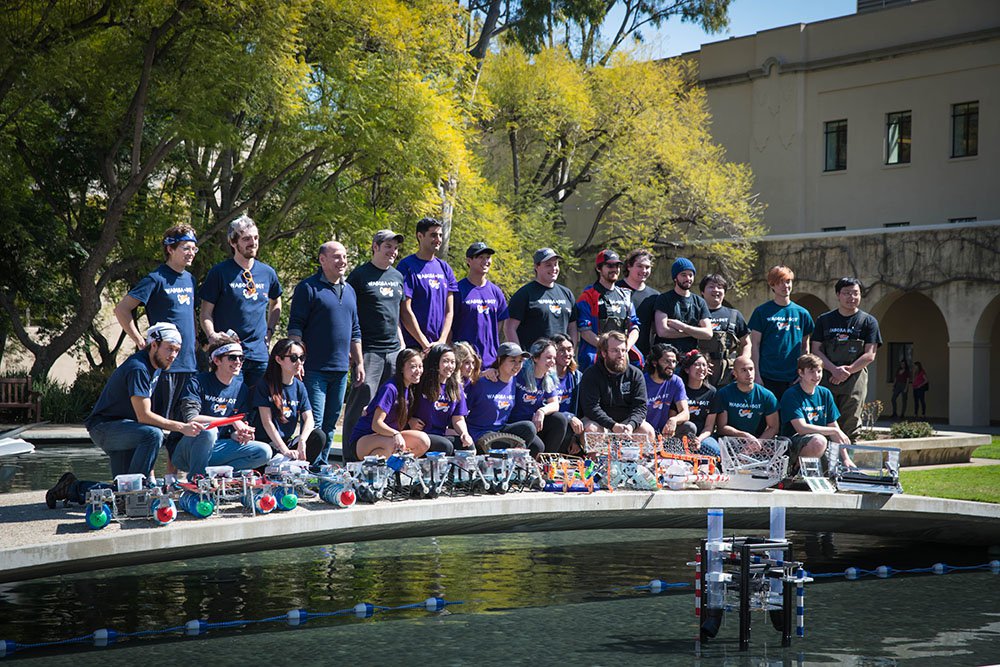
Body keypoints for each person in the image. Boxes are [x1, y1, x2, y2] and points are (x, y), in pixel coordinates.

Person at [46, 323, 205, 509]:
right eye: (169, 348)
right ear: (153, 344)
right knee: (153, 434)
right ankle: (137, 494)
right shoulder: (139, 368)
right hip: (106, 428)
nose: (173, 355)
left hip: (125, 428)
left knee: (120, 489)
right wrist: (182, 427)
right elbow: (144, 416)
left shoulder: (155, 367)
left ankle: (72, 487)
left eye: (177, 350)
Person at [113, 224, 200, 425]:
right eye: (185, 248)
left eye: (193, 248)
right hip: (164, 366)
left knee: (184, 429)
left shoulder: (190, 279)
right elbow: (122, 310)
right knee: (161, 427)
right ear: (170, 249)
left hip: (189, 364)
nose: (191, 253)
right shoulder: (156, 279)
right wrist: (139, 339)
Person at [288, 241, 363, 463]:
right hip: (314, 370)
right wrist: (296, 361)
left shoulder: (349, 290)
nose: (343, 261)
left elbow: (355, 329)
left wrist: (359, 362)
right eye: (337, 257)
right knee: (314, 424)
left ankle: (320, 467)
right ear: (323, 260)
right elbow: (295, 327)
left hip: (340, 370)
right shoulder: (308, 288)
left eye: (345, 257)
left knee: (330, 424)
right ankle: (306, 468)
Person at [200, 215, 282, 389]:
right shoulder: (219, 272)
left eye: (255, 238)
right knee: (229, 405)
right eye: (246, 239)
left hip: (259, 354)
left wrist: (269, 331)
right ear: (233, 242)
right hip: (228, 353)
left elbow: (276, 302)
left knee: (259, 407)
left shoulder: (267, 272)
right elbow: (205, 312)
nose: (253, 242)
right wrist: (212, 335)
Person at [171, 336, 271, 477]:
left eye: (241, 358)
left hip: (218, 448)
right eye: (232, 357)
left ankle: (221, 475)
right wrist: (231, 420)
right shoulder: (197, 382)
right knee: (208, 431)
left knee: (263, 451)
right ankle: (196, 481)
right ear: (217, 360)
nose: (238, 362)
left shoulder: (241, 388)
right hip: (187, 451)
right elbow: (192, 418)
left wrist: (238, 435)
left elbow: (232, 430)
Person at [342, 229, 406, 446]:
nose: (393, 251)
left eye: (396, 248)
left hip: (394, 350)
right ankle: (351, 453)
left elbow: (397, 316)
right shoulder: (359, 276)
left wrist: (403, 347)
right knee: (362, 401)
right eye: (388, 246)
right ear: (375, 246)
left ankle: (382, 451)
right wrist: (354, 351)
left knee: (391, 403)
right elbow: (349, 314)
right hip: (369, 350)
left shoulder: (397, 277)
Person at [810, 277, 882, 439]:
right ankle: (826, 462)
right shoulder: (824, 320)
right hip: (827, 376)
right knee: (824, 420)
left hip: (855, 379)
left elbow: (870, 354)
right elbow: (816, 349)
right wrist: (834, 370)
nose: (852, 297)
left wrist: (847, 371)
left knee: (851, 422)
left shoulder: (868, 322)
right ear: (838, 295)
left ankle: (847, 461)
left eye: (855, 293)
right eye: (847, 293)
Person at [348, 348, 431, 460]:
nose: (418, 371)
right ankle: (369, 471)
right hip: (364, 439)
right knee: (393, 444)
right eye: (413, 367)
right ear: (401, 368)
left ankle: (397, 469)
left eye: (420, 366)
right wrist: (395, 434)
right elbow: (376, 424)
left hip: (386, 438)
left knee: (423, 441)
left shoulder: (410, 388)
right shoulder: (390, 388)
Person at [251, 338, 325, 464]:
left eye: (302, 358)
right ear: (279, 359)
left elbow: (309, 419)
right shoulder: (264, 385)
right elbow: (267, 422)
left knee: (319, 436)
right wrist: (284, 450)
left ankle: (299, 467)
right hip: (267, 445)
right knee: (272, 456)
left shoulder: (299, 386)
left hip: (287, 444)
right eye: (293, 358)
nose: (299, 362)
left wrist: (302, 440)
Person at [464, 342, 546, 454]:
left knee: (532, 433)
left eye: (520, 361)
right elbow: (463, 407)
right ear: (499, 360)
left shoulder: (513, 380)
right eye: (513, 361)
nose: (517, 365)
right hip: (480, 433)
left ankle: (513, 462)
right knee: (507, 444)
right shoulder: (482, 382)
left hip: (501, 430)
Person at [748, 265, 814, 401]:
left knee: (790, 419)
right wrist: (757, 375)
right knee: (768, 419)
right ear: (772, 285)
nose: (785, 286)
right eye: (780, 282)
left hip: (793, 377)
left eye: (788, 281)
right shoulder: (761, 312)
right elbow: (754, 345)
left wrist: (803, 374)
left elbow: (805, 347)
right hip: (767, 376)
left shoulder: (802, 313)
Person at [778, 354, 851, 471]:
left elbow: (833, 427)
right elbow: (801, 428)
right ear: (801, 373)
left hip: (818, 445)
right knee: (819, 441)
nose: (816, 376)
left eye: (819, 371)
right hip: (794, 444)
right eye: (811, 371)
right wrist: (835, 431)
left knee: (834, 466)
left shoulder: (825, 393)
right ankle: (795, 470)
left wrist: (846, 458)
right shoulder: (791, 394)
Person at [397, 217, 459, 350]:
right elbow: (404, 310)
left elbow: (449, 311)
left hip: (439, 347)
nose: (438, 240)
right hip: (414, 347)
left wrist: (442, 341)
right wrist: (424, 344)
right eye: (433, 235)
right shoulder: (406, 266)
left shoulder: (445, 268)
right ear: (420, 236)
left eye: (440, 235)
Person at [579, 332, 653, 438]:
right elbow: (591, 408)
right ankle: (592, 455)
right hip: (599, 422)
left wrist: (631, 426)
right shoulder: (591, 374)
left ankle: (640, 455)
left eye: (623, 350)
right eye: (615, 350)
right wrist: (613, 425)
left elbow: (640, 407)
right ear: (604, 353)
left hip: (627, 423)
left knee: (647, 431)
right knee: (592, 430)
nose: (621, 355)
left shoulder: (635, 374)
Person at [576, 249, 639, 371]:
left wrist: (624, 348)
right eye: (610, 265)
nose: (614, 269)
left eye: (617, 265)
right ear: (599, 269)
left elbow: (635, 326)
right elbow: (584, 331)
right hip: (597, 354)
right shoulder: (587, 296)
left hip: (623, 353)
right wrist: (608, 350)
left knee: (638, 360)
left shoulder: (626, 296)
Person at [505, 248, 578, 348]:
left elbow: (572, 327)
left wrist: (571, 350)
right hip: (534, 359)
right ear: (536, 267)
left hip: (561, 359)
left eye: (556, 264)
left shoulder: (566, 293)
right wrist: (519, 355)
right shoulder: (524, 294)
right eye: (548, 265)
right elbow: (509, 328)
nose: (554, 268)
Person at [410, 344, 475, 455]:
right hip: (421, 434)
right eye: (445, 361)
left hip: (441, 434)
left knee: (469, 447)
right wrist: (410, 419)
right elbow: (402, 405)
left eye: (452, 362)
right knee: (445, 446)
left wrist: (464, 433)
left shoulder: (456, 386)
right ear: (436, 362)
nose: (450, 366)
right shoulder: (420, 383)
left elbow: (458, 418)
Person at [509, 339, 571, 454]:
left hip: (534, 422)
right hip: (516, 424)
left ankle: (547, 463)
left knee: (560, 420)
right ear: (535, 358)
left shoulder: (549, 376)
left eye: (554, 357)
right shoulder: (520, 372)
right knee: (538, 447)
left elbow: (555, 404)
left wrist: (541, 411)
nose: (552, 361)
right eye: (548, 357)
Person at [453, 242, 508, 367]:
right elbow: (449, 323)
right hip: (465, 362)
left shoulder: (496, 291)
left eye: (488, 257)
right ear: (469, 260)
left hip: (491, 361)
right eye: (480, 257)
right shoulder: (458, 290)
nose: (486, 261)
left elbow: (500, 324)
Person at [712, 356, 780, 447]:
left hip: (759, 439)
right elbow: (721, 427)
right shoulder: (724, 393)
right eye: (744, 370)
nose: (749, 373)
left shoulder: (766, 395)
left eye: (751, 369)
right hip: (730, 440)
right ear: (735, 374)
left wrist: (758, 443)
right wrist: (743, 435)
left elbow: (774, 427)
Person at [698, 273, 751, 388]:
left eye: (720, 287)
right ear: (702, 292)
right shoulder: (695, 314)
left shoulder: (734, 315)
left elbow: (746, 343)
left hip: (728, 373)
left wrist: (742, 362)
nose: (716, 290)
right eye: (711, 286)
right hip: (699, 372)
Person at [653, 257, 712, 354]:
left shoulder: (699, 302)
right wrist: (695, 333)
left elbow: (708, 333)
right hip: (666, 357)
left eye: (690, 275)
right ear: (675, 277)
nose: (688, 278)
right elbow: (662, 331)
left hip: (690, 359)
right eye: (683, 275)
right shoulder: (664, 299)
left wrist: (682, 327)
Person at [675, 349, 722, 457]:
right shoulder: (679, 389)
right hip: (682, 434)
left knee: (714, 450)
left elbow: (709, 426)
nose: (701, 369)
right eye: (697, 365)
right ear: (687, 369)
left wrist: (699, 439)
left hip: (702, 435)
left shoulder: (712, 392)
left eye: (704, 365)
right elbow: (673, 417)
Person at [617, 249, 659, 360]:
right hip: (616, 353)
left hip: (642, 356)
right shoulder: (615, 290)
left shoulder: (654, 296)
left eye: (647, 267)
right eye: (639, 266)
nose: (644, 270)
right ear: (629, 266)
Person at [643, 343, 689, 438]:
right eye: (667, 361)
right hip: (643, 430)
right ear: (655, 362)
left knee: (689, 427)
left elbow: (685, 413)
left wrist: (674, 420)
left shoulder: (676, 381)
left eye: (674, 362)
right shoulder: (642, 381)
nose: (671, 365)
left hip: (665, 431)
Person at [552, 333, 584, 450]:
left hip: (572, 428)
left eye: (570, 349)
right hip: (552, 425)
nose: (567, 354)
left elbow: (582, 409)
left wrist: (576, 438)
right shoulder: (545, 376)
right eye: (561, 350)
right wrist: (568, 417)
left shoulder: (577, 377)